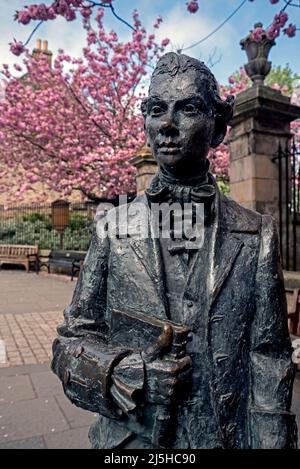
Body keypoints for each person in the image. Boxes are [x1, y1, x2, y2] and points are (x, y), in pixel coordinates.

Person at [52, 52, 297, 449]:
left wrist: (273, 440)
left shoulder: (257, 235)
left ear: (218, 128)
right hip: (129, 444)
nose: (167, 125)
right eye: (156, 110)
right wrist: (124, 373)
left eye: (187, 109)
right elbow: (70, 342)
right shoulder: (112, 229)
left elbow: (268, 357)